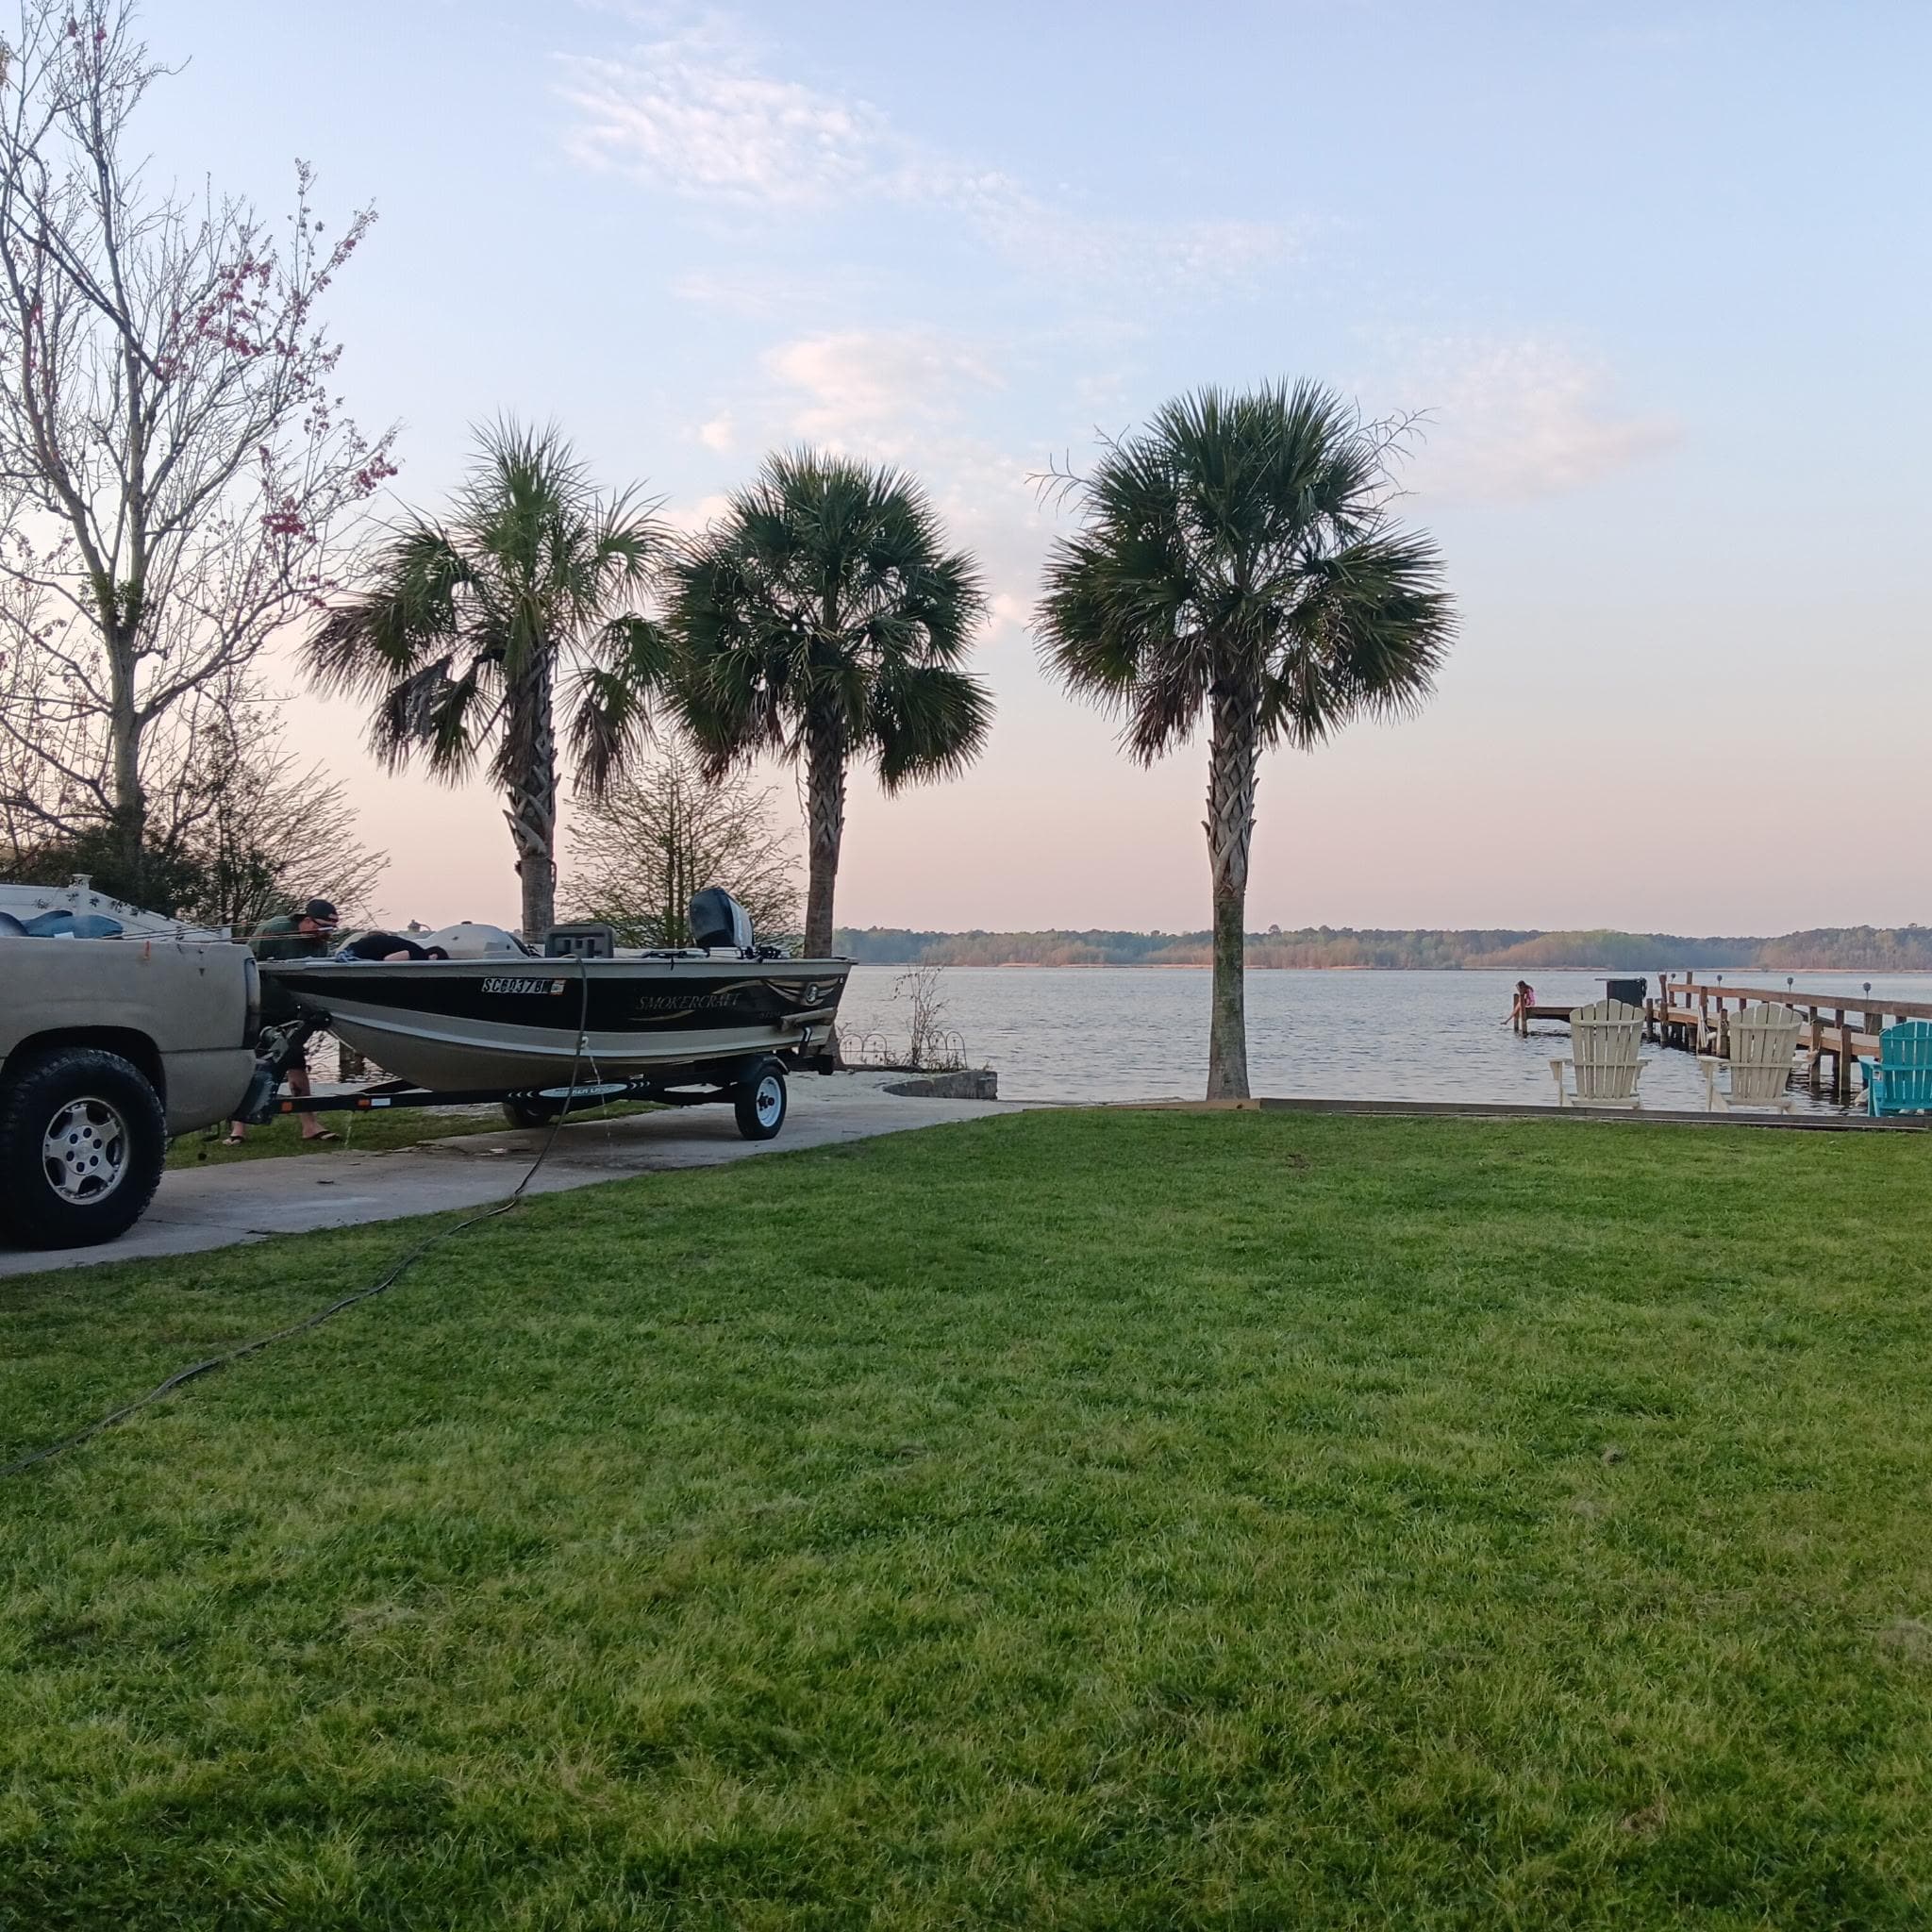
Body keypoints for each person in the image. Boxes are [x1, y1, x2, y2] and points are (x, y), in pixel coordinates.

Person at [225, 899, 341, 1145]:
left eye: (330, 930)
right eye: (321, 928)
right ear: (307, 920)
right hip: (257, 1008)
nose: (325, 935)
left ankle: (310, 1125)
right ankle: (238, 1129)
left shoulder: (320, 945)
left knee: (296, 1063)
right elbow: (246, 966)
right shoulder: (274, 930)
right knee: (251, 1063)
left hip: (289, 1011)